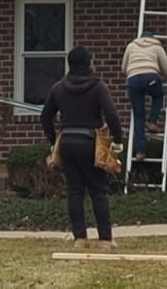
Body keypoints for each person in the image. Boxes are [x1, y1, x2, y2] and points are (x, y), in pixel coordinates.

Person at [40, 46, 123, 249]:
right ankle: (105, 239)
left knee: (75, 192)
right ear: (88, 63)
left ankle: (80, 238)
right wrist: (118, 140)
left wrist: (53, 141)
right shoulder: (98, 86)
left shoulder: (58, 87)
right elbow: (111, 114)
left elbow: (45, 116)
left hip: (67, 142)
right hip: (90, 143)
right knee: (99, 191)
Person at [122, 29, 167, 159]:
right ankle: (153, 122)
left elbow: (123, 68)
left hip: (133, 81)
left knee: (138, 116)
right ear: (153, 38)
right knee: (158, 95)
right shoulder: (157, 46)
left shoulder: (131, 45)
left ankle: (140, 151)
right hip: (151, 78)